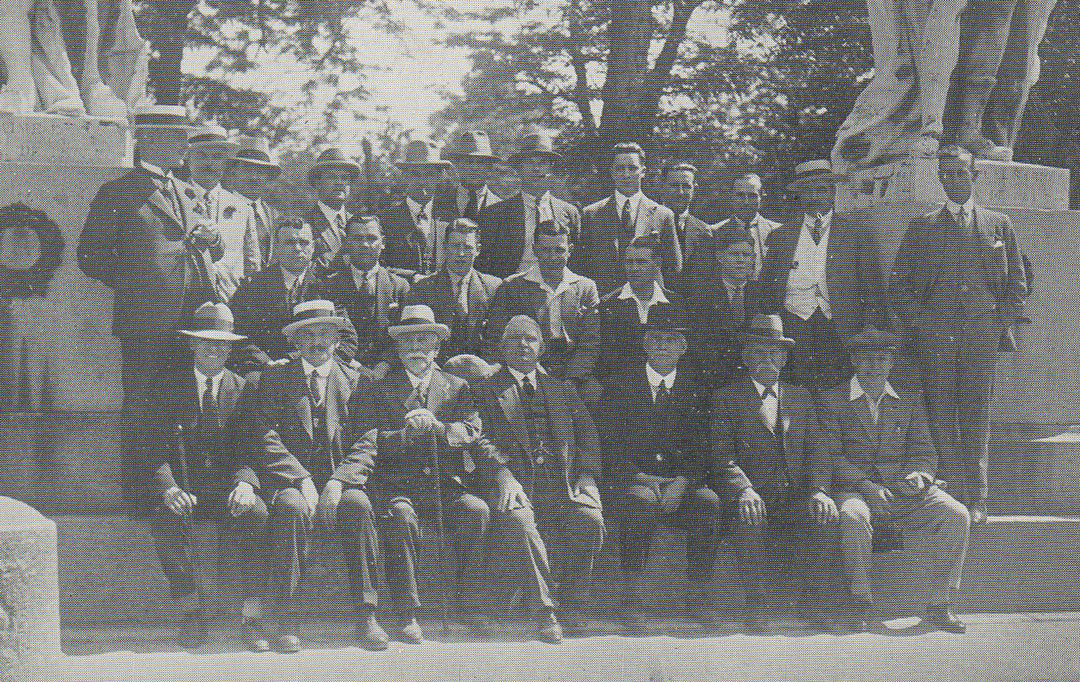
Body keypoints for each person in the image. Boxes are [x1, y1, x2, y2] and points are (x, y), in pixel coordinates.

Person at [77, 103, 221, 509]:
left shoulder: (188, 191)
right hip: (145, 322)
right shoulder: (118, 192)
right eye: (178, 138)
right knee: (143, 405)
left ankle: (186, 491)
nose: (184, 146)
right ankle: (142, 496)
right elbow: (91, 256)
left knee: (187, 401)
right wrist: (142, 286)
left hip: (192, 320)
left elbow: (216, 250)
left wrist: (212, 238)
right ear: (151, 140)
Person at [890, 145, 1027, 523]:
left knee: (976, 413)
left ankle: (978, 500)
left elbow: (1018, 282)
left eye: (959, 173)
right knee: (938, 411)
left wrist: (998, 321)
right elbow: (898, 285)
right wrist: (921, 321)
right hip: (936, 336)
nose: (951, 180)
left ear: (975, 175)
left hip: (981, 335)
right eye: (944, 174)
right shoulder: (923, 226)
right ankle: (950, 494)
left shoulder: (999, 224)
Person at [344, 304, 494, 645]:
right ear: (397, 349)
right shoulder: (378, 388)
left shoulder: (457, 387)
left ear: (437, 347)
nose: (415, 350)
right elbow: (366, 437)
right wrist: (405, 433)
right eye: (407, 342)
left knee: (477, 511)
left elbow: (471, 431)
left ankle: (469, 601)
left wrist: (438, 427)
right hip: (397, 485)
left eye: (423, 341)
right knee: (400, 516)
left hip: (443, 485)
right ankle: (407, 612)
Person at [228, 300, 366, 653]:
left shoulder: (356, 379)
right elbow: (264, 434)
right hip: (288, 480)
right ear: (295, 342)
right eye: (307, 334)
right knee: (291, 507)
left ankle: (367, 612)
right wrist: (302, 478)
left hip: (341, 479)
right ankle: (289, 615)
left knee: (360, 505)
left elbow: (369, 438)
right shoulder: (273, 377)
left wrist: (338, 480)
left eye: (324, 333)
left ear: (337, 338)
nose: (316, 342)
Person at [816, 324, 970, 633]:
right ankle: (860, 600)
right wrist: (866, 485)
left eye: (882, 359)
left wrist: (921, 475)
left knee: (957, 514)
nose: (874, 367)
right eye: (866, 359)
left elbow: (926, 452)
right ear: (854, 362)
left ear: (891, 363)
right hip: (857, 489)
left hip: (904, 491)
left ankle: (940, 603)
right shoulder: (832, 401)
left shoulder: (908, 400)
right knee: (852, 515)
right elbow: (831, 457)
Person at [474, 315, 605, 642]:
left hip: (561, 485)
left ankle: (574, 604)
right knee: (521, 524)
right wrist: (502, 473)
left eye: (530, 339)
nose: (523, 345)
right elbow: (477, 437)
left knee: (590, 520)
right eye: (514, 340)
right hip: (514, 486)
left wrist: (587, 477)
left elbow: (588, 433)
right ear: (502, 348)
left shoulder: (561, 388)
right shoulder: (485, 389)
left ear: (542, 347)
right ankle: (545, 611)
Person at [709, 314, 839, 632]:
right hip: (752, 497)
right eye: (757, 351)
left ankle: (813, 601)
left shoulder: (801, 397)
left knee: (824, 514)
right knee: (749, 517)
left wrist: (819, 490)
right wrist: (743, 490)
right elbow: (721, 455)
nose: (766, 359)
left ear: (783, 357)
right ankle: (757, 603)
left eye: (773, 352)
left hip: (792, 495)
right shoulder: (726, 398)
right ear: (745, 357)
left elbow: (818, 450)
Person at [602, 303, 718, 631]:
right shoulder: (620, 385)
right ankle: (632, 597)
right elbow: (610, 444)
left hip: (680, 482)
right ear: (644, 344)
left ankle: (698, 597)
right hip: (633, 480)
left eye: (671, 340)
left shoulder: (698, 388)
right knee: (640, 502)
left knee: (708, 503)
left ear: (683, 347)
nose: (662, 346)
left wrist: (683, 482)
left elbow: (704, 446)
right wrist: (640, 477)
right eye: (655, 339)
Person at [140, 302, 247, 649]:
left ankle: (246, 611)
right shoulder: (168, 386)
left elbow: (253, 448)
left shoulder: (244, 389)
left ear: (230, 347)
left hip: (227, 491)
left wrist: (245, 482)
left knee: (259, 514)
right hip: (186, 489)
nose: (214, 349)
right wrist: (169, 488)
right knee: (164, 521)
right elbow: (152, 447)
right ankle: (191, 611)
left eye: (221, 342)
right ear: (191, 345)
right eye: (205, 342)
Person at [758, 159, 883, 392]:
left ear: (833, 192)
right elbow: (767, 288)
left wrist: (868, 330)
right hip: (793, 326)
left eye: (821, 189)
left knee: (839, 394)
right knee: (796, 393)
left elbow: (872, 289)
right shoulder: (781, 236)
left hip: (840, 327)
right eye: (808, 190)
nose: (815, 196)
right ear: (800, 196)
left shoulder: (855, 233)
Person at [482, 222, 602, 411]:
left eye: (559, 250)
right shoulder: (512, 286)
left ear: (570, 250)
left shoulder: (585, 287)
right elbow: (496, 338)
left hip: (572, 372)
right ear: (534, 249)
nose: (552, 257)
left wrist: (572, 378)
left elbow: (590, 342)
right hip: (526, 368)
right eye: (545, 250)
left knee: (594, 395)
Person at [229, 218, 358, 374]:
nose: (297, 249)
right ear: (276, 248)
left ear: (313, 247)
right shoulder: (253, 286)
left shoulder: (327, 286)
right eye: (289, 242)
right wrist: (267, 364)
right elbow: (239, 335)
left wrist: (319, 361)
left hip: (318, 369)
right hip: (269, 373)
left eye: (303, 242)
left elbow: (347, 336)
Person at [576, 142, 682, 293]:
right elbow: (581, 264)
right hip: (605, 302)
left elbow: (674, 268)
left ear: (643, 171)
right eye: (620, 168)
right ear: (612, 172)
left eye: (632, 168)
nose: (626, 175)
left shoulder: (663, 215)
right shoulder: (591, 214)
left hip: (647, 303)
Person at [475, 131, 582, 279]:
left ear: (551, 168)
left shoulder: (569, 212)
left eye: (542, 163)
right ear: (519, 168)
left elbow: (578, 261)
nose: (536, 169)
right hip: (512, 293)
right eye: (529, 162)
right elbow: (483, 266)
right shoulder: (495, 213)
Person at [318, 215, 410, 380]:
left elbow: (406, 335)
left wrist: (384, 364)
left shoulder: (400, 286)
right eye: (357, 239)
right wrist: (356, 367)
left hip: (390, 374)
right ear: (346, 243)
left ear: (382, 243)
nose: (365, 245)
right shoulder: (328, 287)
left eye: (372, 238)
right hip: (341, 372)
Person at [404, 219, 502, 361]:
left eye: (467, 247)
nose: (461, 254)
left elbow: (496, 338)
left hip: (481, 370)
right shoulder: (423, 288)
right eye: (455, 246)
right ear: (444, 248)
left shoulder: (494, 287)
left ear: (478, 250)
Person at [183, 124, 260, 301]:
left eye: (217, 157)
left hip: (230, 302)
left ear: (225, 162)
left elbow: (252, 264)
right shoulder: (175, 198)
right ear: (188, 158)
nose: (209, 163)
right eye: (201, 156)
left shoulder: (241, 208)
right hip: (184, 302)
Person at [595, 234, 685, 380]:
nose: (634, 268)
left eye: (641, 262)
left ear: (657, 264)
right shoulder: (608, 304)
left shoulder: (675, 304)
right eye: (629, 262)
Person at [689, 225, 760, 390]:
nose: (741, 260)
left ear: (754, 258)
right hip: (715, 381)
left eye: (746, 255)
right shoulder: (701, 297)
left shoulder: (763, 294)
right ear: (720, 257)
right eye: (735, 254)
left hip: (754, 380)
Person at [379, 140, 453, 275]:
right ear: (405, 177)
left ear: (439, 177)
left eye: (430, 174)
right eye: (416, 174)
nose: (422, 181)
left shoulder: (449, 219)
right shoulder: (385, 219)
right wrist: (412, 277)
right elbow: (379, 267)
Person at [222, 135, 281, 267]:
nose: (254, 177)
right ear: (233, 172)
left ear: (268, 176)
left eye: (260, 172)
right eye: (247, 170)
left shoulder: (272, 215)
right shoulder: (220, 207)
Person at [712, 173, 781, 278]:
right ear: (731, 198)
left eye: (752, 196)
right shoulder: (715, 232)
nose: (746, 202)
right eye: (740, 196)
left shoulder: (779, 231)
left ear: (761, 198)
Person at [659, 162, 713, 292]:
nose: (680, 192)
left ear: (695, 188)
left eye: (686, 186)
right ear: (662, 186)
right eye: (674, 186)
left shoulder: (705, 231)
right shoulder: (647, 221)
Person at [306, 147, 362, 268]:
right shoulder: (305, 224)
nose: (339, 182)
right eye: (332, 177)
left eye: (345, 178)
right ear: (317, 183)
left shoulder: (359, 223)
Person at [436, 130, 502, 222]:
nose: (474, 168)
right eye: (469, 161)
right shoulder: (439, 204)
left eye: (480, 162)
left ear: (489, 167)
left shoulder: (501, 208)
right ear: (457, 165)